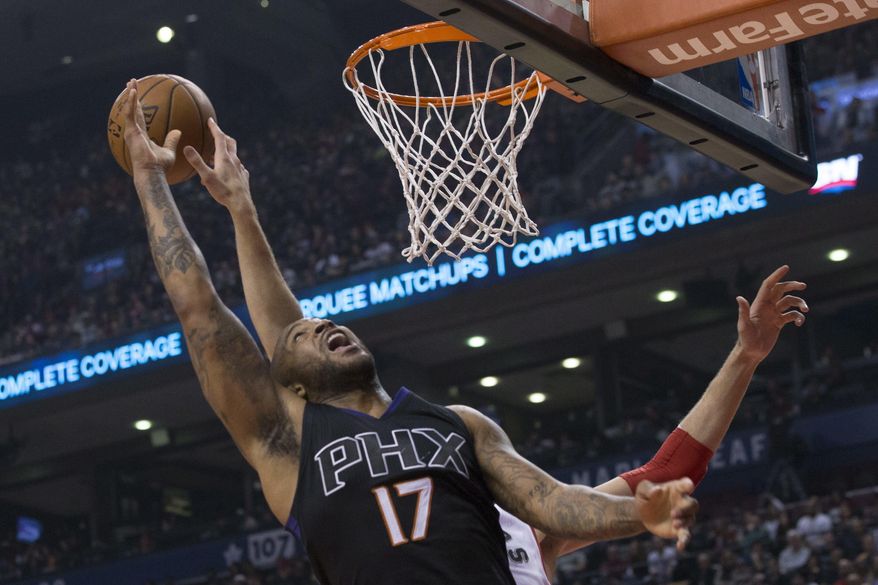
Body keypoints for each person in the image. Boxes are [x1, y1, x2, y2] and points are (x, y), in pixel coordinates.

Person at [179, 98, 810, 585]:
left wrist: (744, 356)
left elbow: (665, 472)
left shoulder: (532, 522)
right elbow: (287, 347)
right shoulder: (456, 483)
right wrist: (242, 212)